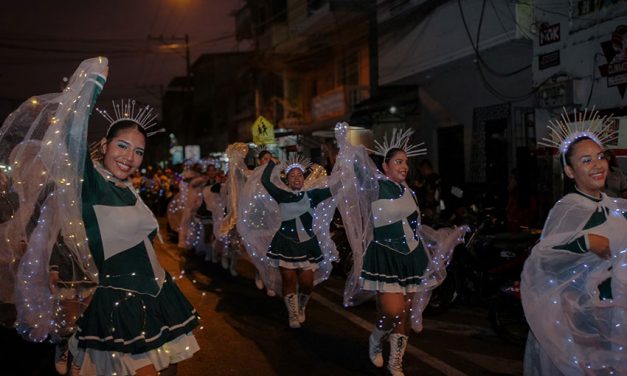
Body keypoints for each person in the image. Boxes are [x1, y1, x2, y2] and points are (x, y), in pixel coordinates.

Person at [1, 58, 199, 376]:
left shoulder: (129, 190)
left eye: (138, 151)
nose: (129, 157)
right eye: (122, 146)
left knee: (172, 366)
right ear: (105, 145)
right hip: (119, 302)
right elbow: (71, 131)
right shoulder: (90, 183)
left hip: (159, 292)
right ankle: (67, 346)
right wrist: (92, 84)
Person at [331, 124, 466, 376]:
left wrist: (443, 238)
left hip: (411, 259)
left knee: (404, 313)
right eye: (398, 162)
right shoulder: (375, 187)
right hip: (385, 256)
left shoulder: (410, 192)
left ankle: (396, 361)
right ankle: (376, 338)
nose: (404, 166)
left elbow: (414, 228)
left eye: (406, 162)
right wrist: (346, 143)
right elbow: (357, 168)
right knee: (391, 312)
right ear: (385, 166)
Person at [521, 108, 627, 375]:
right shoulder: (569, 208)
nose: (597, 165)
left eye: (600, 157)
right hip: (587, 318)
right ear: (569, 171)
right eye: (586, 160)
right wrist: (584, 241)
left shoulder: (613, 205)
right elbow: (543, 257)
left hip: (617, 314)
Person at [238, 153, 337, 328]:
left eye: (300, 175)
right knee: (289, 281)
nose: (297, 178)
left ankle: (302, 305)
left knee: (307, 284)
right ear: (287, 180)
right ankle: (292, 313)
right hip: (285, 244)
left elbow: (335, 188)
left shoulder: (312, 195)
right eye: (292, 175)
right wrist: (271, 165)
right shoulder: (281, 194)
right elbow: (266, 181)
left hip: (307, 245)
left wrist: (346, 164)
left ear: (303, 178)